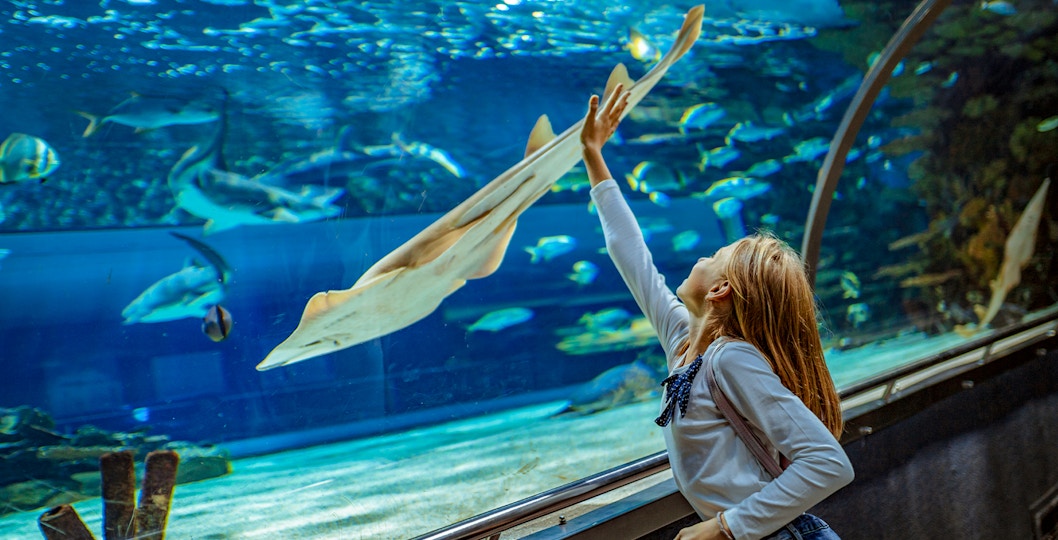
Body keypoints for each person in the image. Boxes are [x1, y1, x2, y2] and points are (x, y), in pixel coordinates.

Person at [579, 84, 854, 540]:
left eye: (714, 255)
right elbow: (630, 255)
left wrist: (725, 528)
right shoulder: (684, 343)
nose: (701, 257)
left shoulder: (731, 359)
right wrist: (592, 154)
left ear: (721, 289)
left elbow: (828, 463)